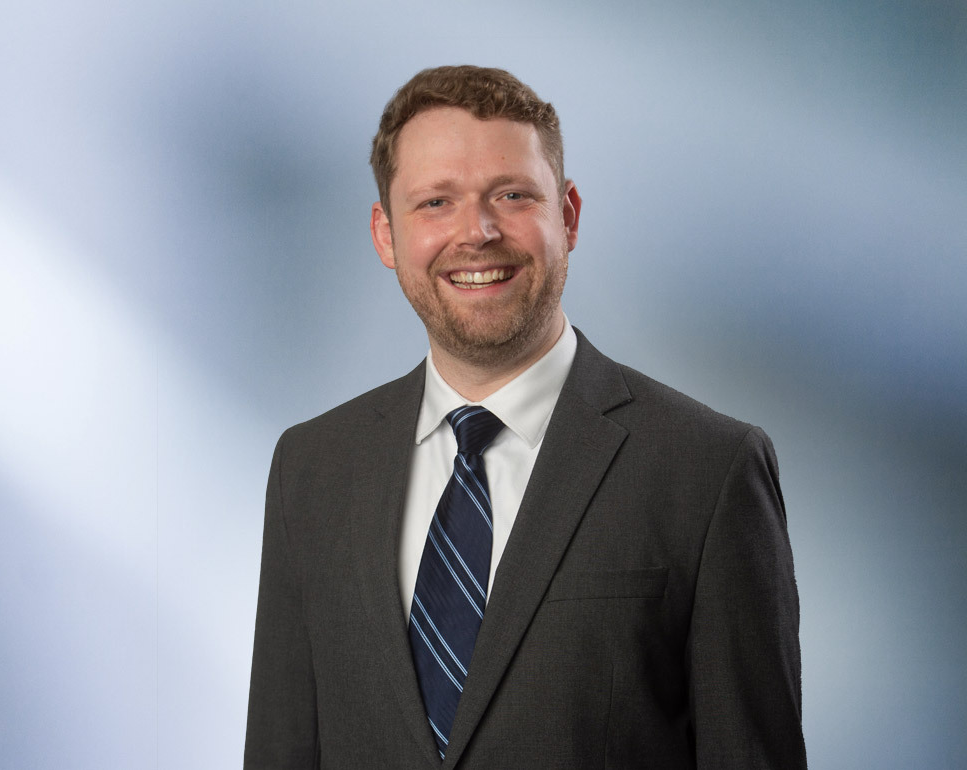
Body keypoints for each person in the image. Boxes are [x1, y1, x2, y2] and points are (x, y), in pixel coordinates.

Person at [244, 65, 807, 769]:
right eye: (435, 203)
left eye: (511, 195)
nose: (476, 232)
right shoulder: (312, 469)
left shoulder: (706, 471)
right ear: (385, 236)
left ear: (567, 217)